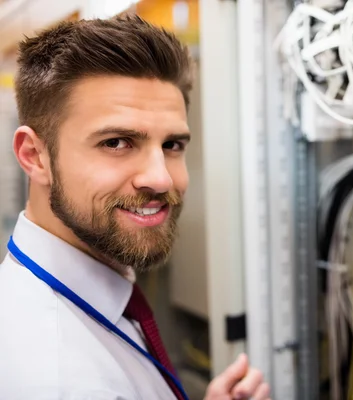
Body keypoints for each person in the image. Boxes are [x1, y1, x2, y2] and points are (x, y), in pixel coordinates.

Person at [0, 15, 270, 400]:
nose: (161, 179)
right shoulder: (58, 380)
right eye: (116, 143)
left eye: (172, 145)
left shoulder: (83, 294)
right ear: (34, 156)